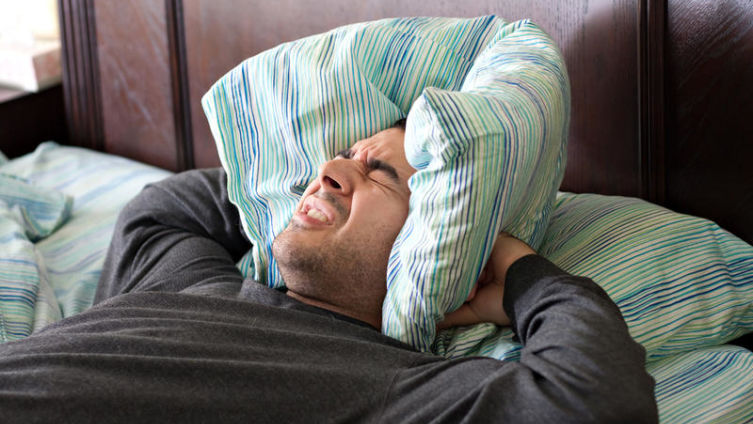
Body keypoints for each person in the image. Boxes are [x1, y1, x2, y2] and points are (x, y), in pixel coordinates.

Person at [0, 121, 658, 423]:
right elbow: (164, 209)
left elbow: (595, 401)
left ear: (437, 242)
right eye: (340, 154)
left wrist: (513, 268)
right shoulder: (192, 281)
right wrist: (292, 190)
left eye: (381, 174)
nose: (329, 170)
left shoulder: (396, 385)